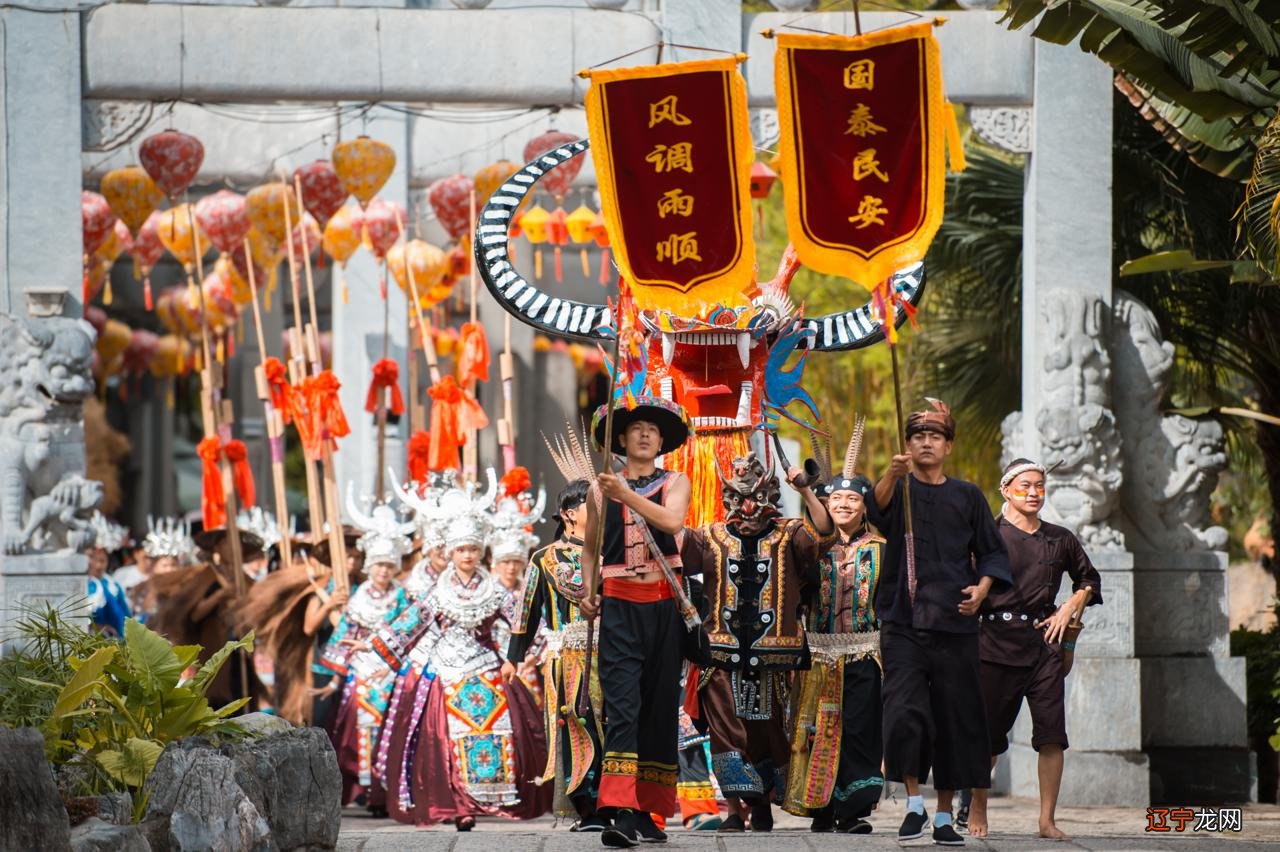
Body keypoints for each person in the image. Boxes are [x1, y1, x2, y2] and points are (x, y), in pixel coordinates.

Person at [867, 398, 1012, 846]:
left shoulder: (968, 495)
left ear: (948, 446)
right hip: (903, 619)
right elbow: (876, 512)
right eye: (917, 436)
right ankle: (913, 804)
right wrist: (891, 473)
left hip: (955, 621)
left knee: (956, 718)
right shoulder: (898, 487)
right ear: (907, 445)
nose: (925, 442)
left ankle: (946, 813)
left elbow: (992, 551)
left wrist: (984, 588)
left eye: (934, 436)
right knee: (904, 712)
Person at [369, 477, 550, 829]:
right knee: (446, 740)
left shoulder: (495, 589)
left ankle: (488, 799)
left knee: (499, 732)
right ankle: (459, 804)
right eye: (461, 549)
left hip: (486, 669)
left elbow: (523, 622)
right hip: (447, 671)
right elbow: (412, 624)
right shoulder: (437, 591)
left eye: (472, 548)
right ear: (450, 551)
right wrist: (374, 644)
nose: (467, 555)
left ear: (481, 550)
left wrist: (528, 653)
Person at [686, 452, 834, 833]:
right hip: (720, 652)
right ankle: (736, 810)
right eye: (738, 499)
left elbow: (824, 532)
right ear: (726, 499)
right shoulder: (710, 535)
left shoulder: (789, 533)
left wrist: (806, 490)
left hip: (774, 654)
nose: (749, 509)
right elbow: (678, 551)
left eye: (757, 498)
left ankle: (765, 805)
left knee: (769, 732)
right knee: (725, 734)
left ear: (770, 496)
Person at [967, 458, 1103, 841]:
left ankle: (1046, 820)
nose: (1033, 492)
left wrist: (1069, 606)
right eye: (1025, 485)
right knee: (988, 736)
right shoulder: (987, 536)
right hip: (994, 644)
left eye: (1039, 486)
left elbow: (1088, 578)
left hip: (1046, 647)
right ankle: (978, 803)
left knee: (1052, 736)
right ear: (1006, 489)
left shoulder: (1061, 538)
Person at [579, 395, 694, 848]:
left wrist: (625, 494)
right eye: (636, 428)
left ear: (661, 441)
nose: (645, 434)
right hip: (620, 608)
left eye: (653, 429)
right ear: (622, 439)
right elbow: (590, 549)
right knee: (622, 706)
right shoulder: (596, 490)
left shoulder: (676, 481)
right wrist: (588, 593)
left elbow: (673, 520)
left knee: (659, 708)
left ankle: (650, 812)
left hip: (665, 605)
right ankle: (621, 810)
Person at [784, 421, 885, 834]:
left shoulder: (881, 549)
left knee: (859, 729)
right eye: (836, 498)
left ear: (864, 506)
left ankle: (853, 809)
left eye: (852, 498)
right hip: (818, 653)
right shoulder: (808, 546)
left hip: (864, 651)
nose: (843, 504)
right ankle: (821, 808)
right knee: (816, 728)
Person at [506, 477, 607, 831]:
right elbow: (526, 612)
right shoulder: (545, 559)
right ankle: (588, 806)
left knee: (615, 727)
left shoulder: (613, 552)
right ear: (568, 514)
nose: (599, 513)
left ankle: (616, 802)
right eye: (590, 506)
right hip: (568, 659)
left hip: (613, 656)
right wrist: (512, 658)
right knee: (577, 727)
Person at [317, 528, 411, 813]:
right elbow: (344, 638)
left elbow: (409, 636)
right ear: (371, 566)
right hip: (361, 671)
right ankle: (365, 789)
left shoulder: (403, 597)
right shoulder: (358, 599)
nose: (383, 570)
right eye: (379, 564)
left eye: (389, 565)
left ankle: (389, 790)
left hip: (393, 670)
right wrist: (334, 680)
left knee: (394, 728)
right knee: (356, 730)